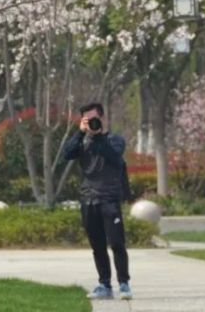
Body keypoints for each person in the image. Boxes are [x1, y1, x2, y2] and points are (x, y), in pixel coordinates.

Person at [61, 102, 132, 301]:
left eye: (94, 119)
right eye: (87, 119)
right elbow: (67, 154)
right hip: (88, 198)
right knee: (97, 246)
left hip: (109, 198)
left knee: (117, 243)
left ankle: (124, 283)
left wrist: (98, 135)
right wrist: (80, 133)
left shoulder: (115, 140)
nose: (92, 123)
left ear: (103, 118)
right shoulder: (82, 141)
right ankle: (104, 284)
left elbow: (113, 156)